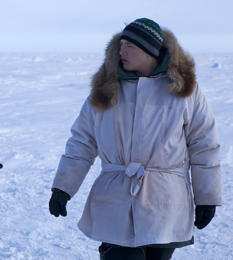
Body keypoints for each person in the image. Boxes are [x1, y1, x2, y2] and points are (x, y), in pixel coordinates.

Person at [49, 18, 222, 260]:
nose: (122, 51)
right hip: (114, 201)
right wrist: (63, 187)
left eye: (130, 45)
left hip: (165, 204)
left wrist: (207, 197)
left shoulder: (185, 90)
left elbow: (204, 145)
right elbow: (82, 142)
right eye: (121, 45)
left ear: (150, 50)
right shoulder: (105, 88)